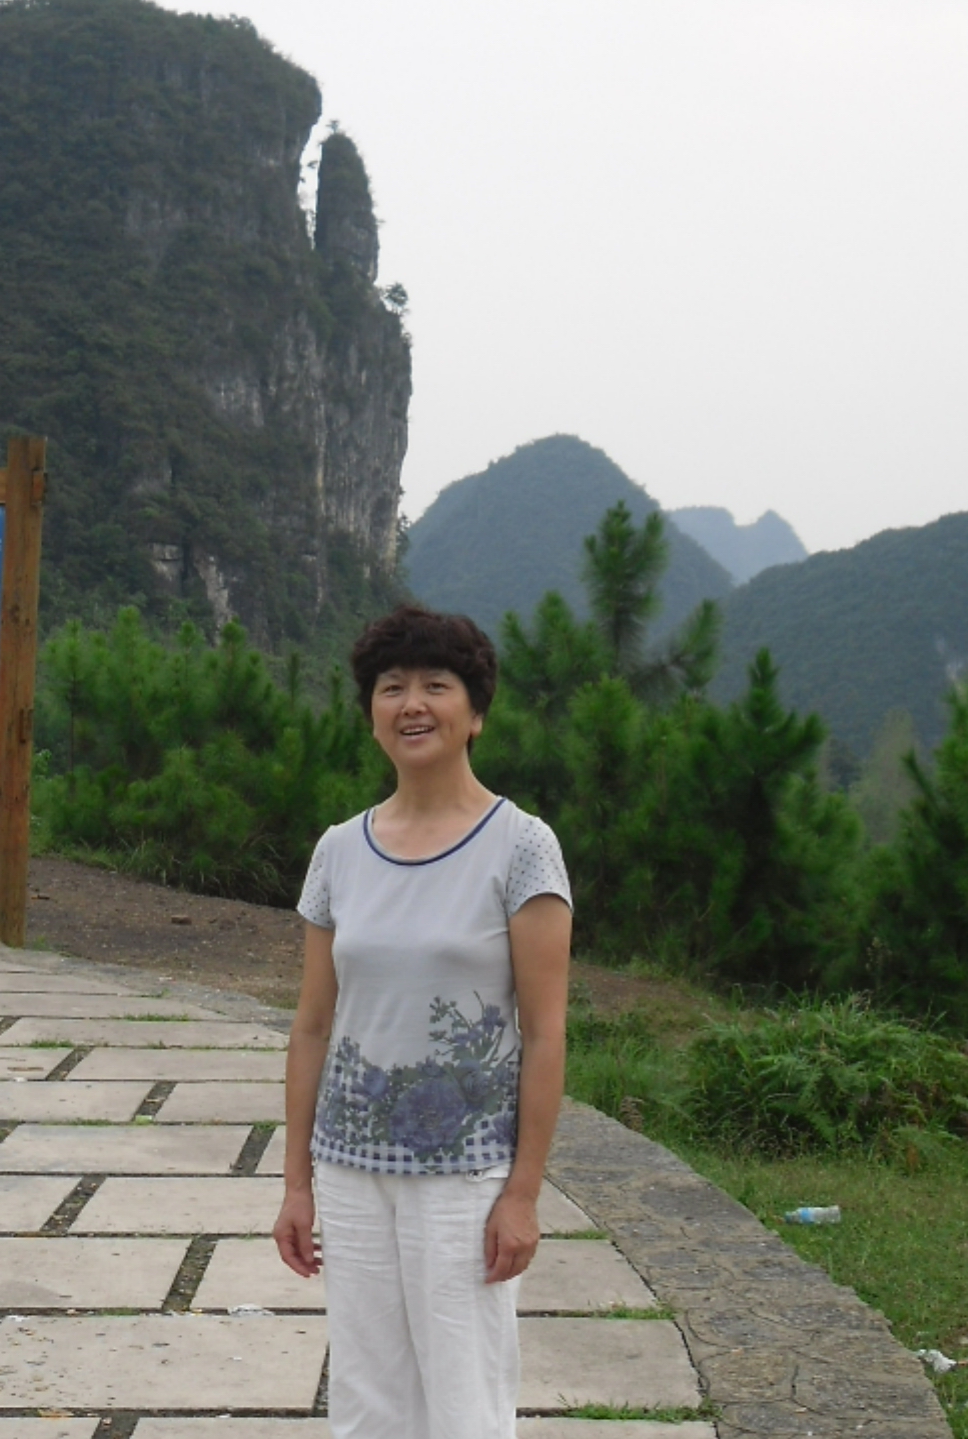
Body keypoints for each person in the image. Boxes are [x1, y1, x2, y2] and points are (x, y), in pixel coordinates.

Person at [273, 604, 573, 1439]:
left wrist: (522, 1195)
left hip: (465, 1179)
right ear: (371, 713)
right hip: (350, 1169)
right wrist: (297, 1184)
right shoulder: (340, 850)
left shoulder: (521, 847)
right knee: (366, 1398)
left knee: (463, 1400)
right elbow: (312, 1026)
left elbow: (546, 1034)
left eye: (436, 686)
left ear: (475, 714)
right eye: (391, 687)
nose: (412, 704)